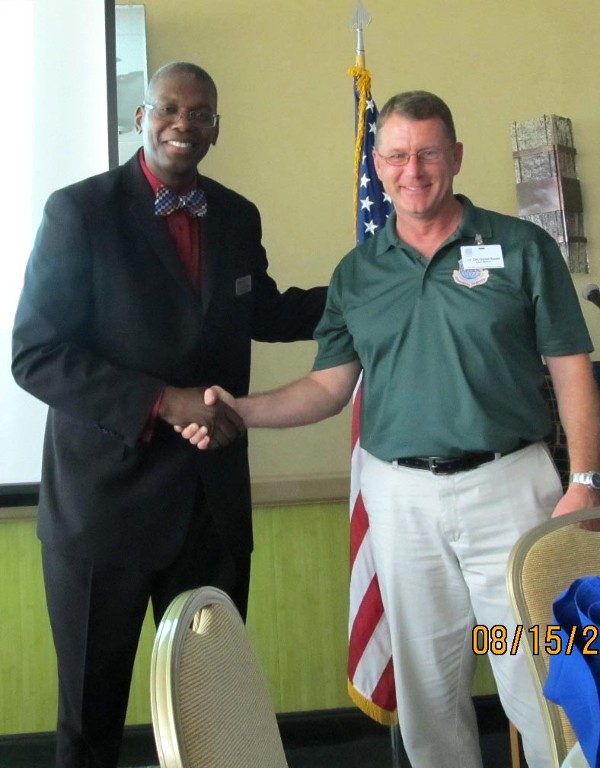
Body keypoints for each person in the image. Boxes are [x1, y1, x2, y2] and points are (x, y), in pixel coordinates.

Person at [179, 91, 600, 768]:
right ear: (377, 165)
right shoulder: (357, 275)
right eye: (398, 155)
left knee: (539, 672)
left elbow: (571, 365)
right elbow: (328, 387)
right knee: (428, 691)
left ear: (456, 157)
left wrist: (584, 479)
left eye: (429, 152)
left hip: (512, 489)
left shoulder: (519, 248)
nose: (414, 170)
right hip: (401, 499)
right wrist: (239, 409)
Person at [11, 61, 326, 768]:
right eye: (170, 109)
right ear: (141, 119)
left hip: (209, 512)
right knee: (90, 726)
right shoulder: (79, 212)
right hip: (103, 519)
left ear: (217, 127)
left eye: (202, 113)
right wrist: (163, 401)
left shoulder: (238, 215)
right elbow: (35, 354)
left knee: (211, 713)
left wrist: (366, 294)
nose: (185, 123)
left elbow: (263, 311)